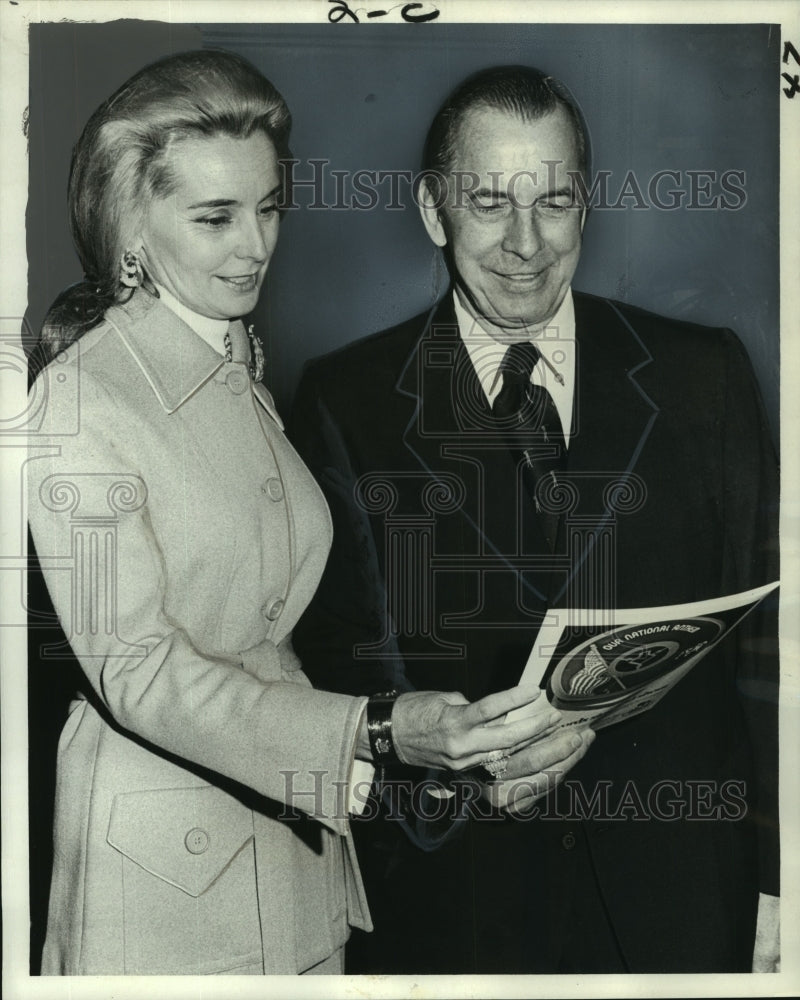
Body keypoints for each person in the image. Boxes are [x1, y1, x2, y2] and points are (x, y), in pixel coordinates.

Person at [25, 51, 580, 977]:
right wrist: (370, 730)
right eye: (215, 217)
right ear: (132, 225)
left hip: (293, 856)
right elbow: (139, 672)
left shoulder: (234, 364)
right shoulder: (80, 402)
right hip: (164, 886)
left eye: (269, 206)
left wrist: (408, 727)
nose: (257, 245)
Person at [289, 65, 780, 973]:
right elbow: (343, 673)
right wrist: (457, 774)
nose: (525, 242)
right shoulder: (343, 401)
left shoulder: (702, 375)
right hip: (461, 914)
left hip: (682, 906)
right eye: (488, 203)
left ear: (586, 206)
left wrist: (781, 885)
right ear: (434, 211)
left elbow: (769, 656)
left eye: (553, 201)